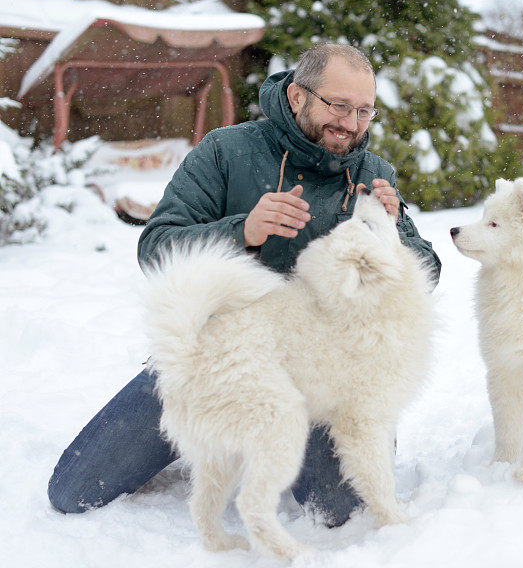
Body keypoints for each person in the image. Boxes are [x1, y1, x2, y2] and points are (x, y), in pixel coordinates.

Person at [48, 43, 441, 527]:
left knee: (342, 511)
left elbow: (426, 270)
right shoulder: (226, 150)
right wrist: (244, 232)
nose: (351, 123)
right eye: (338, 105)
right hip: (216, 353)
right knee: (75, 489)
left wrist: (394, 231)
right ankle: (219, 438)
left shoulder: (371, 175)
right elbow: (157, 247)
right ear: (297, 96)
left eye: (363, 110)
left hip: (323, 374)